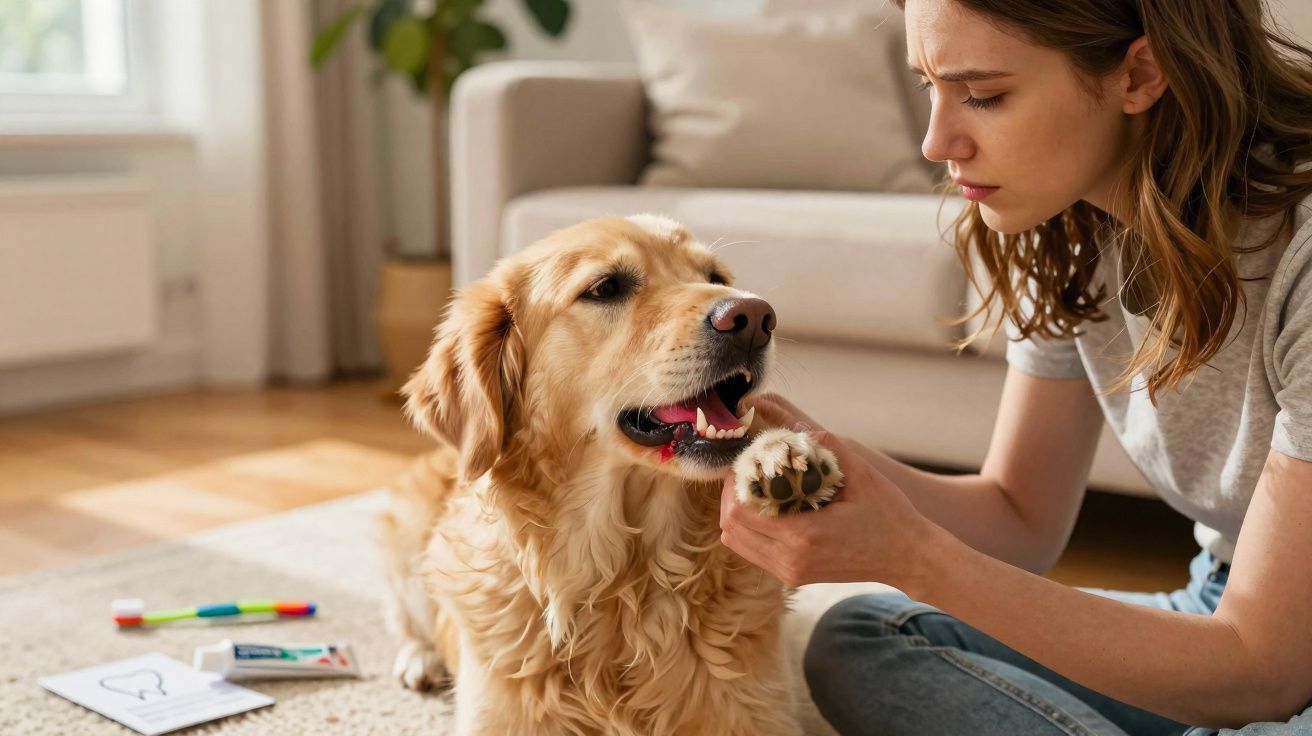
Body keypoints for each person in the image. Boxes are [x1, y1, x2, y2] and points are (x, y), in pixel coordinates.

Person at [717, 0, 1312, 734]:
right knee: (861, 638)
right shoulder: (1070, 221)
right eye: (929, 86)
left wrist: (915, 557)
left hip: (1271, 655)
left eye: (985, 95)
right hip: (1218, 608)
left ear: (1142, 72)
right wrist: (813, 453)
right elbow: (1019, 516)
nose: (937, 142)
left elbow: (1268, 669)